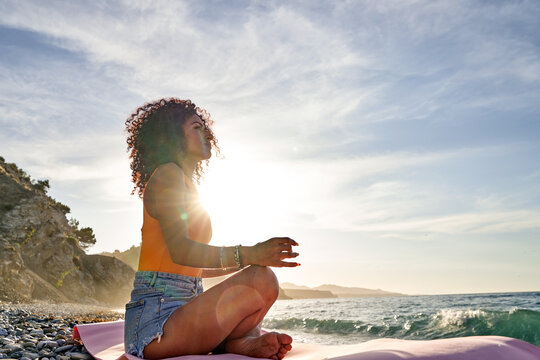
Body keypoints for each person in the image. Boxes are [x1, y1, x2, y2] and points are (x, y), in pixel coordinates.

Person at [124, 98, 300, 360]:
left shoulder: (188, 185)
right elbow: (181, 252)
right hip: (154, 326)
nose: (206, 133)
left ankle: (238, 342)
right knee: (260, 279)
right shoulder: (167, 175)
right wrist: (249, 254)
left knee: (264, 279)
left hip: (186, 307)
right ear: (172, 137)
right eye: (196, 127)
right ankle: (236, 342)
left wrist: (254, 260)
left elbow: (191, 267)